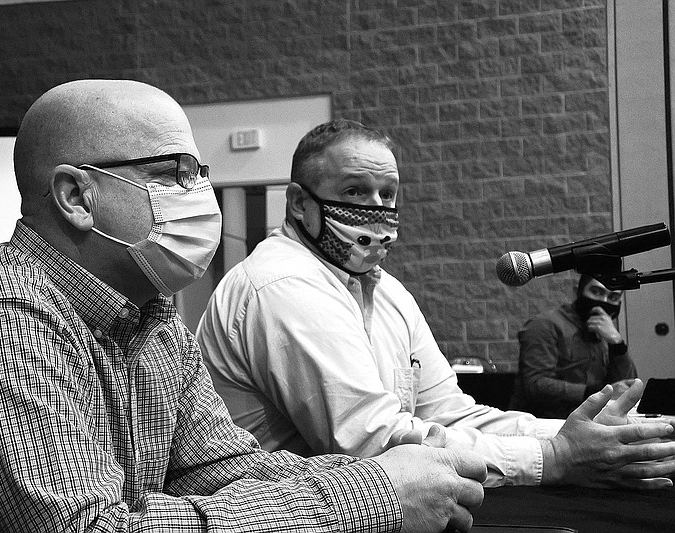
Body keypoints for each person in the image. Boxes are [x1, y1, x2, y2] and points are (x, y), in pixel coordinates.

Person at [0, 81, 489, 533]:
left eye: (200, 175)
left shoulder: (150, 314)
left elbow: (219, 469)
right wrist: (374, 496)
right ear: (75, 195)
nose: (200, 197)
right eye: (173, 173)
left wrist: (389, 480)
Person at [196, 118, 675, 489]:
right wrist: (555, 458)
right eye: (355, 191)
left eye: (388, 194)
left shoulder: (385, 291)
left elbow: (450, 414)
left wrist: (617, 435)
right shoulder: (283, 283)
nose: (377, 207)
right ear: (300, 204)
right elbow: (372, 445)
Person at [509, 274, 638, 418]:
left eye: (613, 297)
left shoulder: (603, 331)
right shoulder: (544, 325)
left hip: (588, 422)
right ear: (578, 291)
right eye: (596, 292)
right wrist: (595, 393)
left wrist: (617, 343)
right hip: (542, 423)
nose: (604, 302)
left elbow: (624, 388)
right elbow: (536, 385)